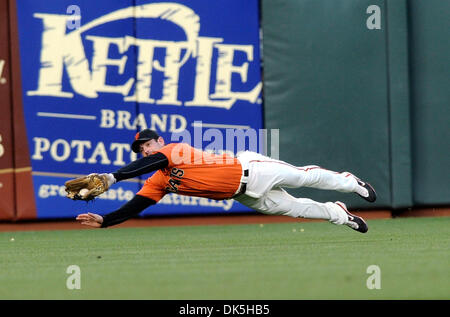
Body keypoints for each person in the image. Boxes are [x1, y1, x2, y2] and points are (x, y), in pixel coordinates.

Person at [76, 129, 376, 233]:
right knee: (299, 209)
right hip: (246, 195)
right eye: (141, 149)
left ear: (159, 141)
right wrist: (105, 220)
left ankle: (349, 183)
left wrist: (114, 176)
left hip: (252, 169)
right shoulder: (158, 182)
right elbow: (135, 206)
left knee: (302, 176)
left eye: (147, 144)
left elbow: (156, 160)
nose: (145, 150)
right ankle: (340, 214)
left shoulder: (173, 150)